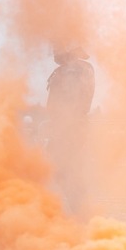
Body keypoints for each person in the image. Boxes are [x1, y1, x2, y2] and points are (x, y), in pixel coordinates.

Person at [45, 45, 95, 213]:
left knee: (67, 169)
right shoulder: (68, 70)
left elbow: (73, 104)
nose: (54, 52)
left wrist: (63, 128)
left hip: (69, 128)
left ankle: (80, 211)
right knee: (63, 169)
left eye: (58, 47)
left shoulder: (74, 71)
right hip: (65, 127)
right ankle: (77, 211)